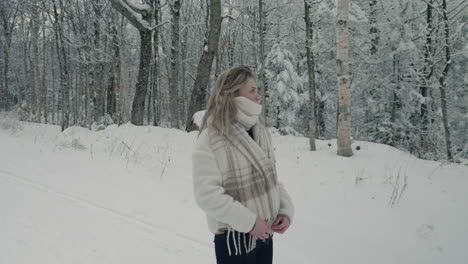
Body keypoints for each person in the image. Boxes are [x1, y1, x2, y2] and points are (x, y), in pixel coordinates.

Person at [192, 65, 295, 264]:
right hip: (233, 239)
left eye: (257, 90)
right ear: (233, 94)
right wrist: (249, 223)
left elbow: (271, 179)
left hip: (264, 234)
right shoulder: (211, 138)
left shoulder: (260, 131)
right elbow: (207, 195)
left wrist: (285, 210)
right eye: (252, 90)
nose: (258, 97)